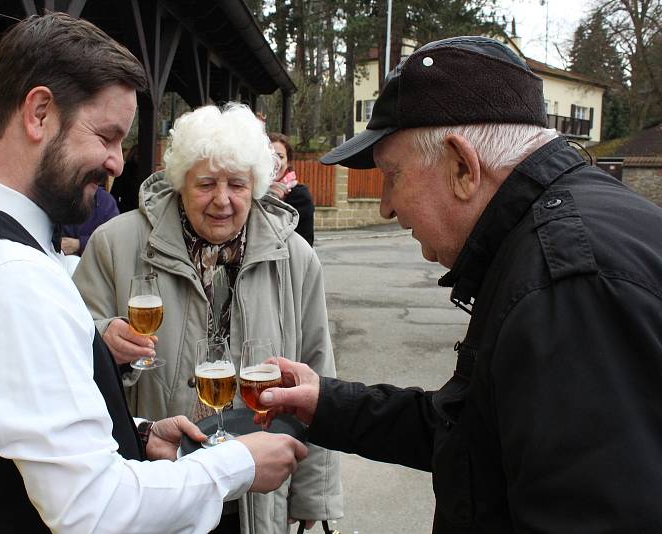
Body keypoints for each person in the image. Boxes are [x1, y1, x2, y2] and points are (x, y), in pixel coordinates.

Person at [0, 13, 307, 533]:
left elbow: (23, 424)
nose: (118, 162)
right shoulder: (3, 275)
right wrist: (238, 464)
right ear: (39, 112)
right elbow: (95, 510)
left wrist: (136, 434)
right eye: (108, 136)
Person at [259, 36, 662, 532]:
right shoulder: (555, 238)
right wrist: (327, 403)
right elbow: (472, 432)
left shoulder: (567, 286)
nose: (385, 206)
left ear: (462, 167)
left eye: (392, 174)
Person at [73, 103, 342, 533]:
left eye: (237, 184)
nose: (222, 199)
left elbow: (318, 374)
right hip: (156, 488)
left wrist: (315, 492)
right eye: (205, 184)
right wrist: (105, 340)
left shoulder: (295, 258)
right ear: (180, 183)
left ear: (255, 185)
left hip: (257, 495)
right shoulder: (115, 244)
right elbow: (68, 347)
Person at [268, 132, 315, 246]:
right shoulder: (249, 192)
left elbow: (303, 243)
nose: (275, 161)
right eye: (269, 155)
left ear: (288, 162)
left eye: (280, 156)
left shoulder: (299, 195)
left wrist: (271, 201)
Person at [61, 178, 119, 256]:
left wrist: (80, 244)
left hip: (88, 261)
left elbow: (112, 241)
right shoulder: (62, 191)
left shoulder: (107, 203)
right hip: (54, 256)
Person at [109, 144, 141, 213]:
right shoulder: (125, 171)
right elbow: (114, 194)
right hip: (128, 212)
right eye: (138, 154)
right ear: (133, 155)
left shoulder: (145, 171)